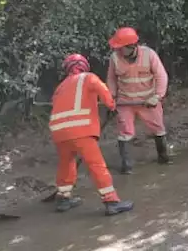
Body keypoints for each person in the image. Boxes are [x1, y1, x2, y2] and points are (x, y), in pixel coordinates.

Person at [50, 54, 134, 216]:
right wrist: (111, 105)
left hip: (59, 131)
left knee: (66, 164)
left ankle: (63, 198)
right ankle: (111, 201)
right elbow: (102, 90)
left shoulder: (60, 87)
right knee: (96, 165)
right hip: (81, 130)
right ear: (84, 65)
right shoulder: (88, 78)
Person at [105, 27, 170, 172]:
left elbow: (161, 76)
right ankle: (126, 166)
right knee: (125, 132)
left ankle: (163, 156)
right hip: (125, 102)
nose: (119, 51)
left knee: (158, 128)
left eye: (121, 48)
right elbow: (111, 79)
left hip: (148, 101)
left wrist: (157, 96)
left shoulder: (149, 55)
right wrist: (111, 96)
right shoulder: (114, 58)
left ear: (132, 46)